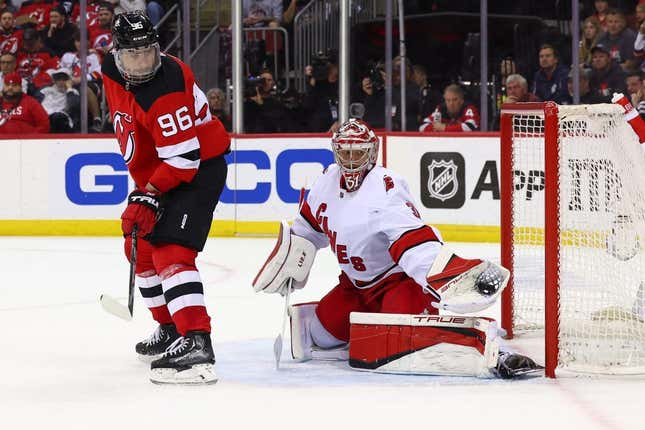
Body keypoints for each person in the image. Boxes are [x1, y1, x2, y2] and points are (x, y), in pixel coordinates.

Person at [253, 118, 542, 379]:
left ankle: (490, 347)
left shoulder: (385, 189)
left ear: (372, 153)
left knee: (402, 340)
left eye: (358, 152)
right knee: (319, 335)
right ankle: (371, 329)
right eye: (345, 152)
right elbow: (308, 230)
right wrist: (289, 261)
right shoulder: (325, 182)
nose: (351, 160)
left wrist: (450, 277)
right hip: (354, 287)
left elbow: (415, 245)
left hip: (396, 284)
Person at [101, 12, 230, 385]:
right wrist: (146, 191)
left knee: (172, 251)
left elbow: (184, 159)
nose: (142, 63)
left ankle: (197, 342)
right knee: (138, 248)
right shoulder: (111, 68)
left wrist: (148, 194)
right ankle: (171, 329)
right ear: (117, 52)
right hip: (166, 172)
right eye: (133, 55)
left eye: (148, 53)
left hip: (197, 169)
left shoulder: (165, 90)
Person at [37, 66, 80, 132]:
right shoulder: (45, 90)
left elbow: (74, 107)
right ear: (54, 80)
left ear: (69, 80)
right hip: (44, 119)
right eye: (58, 79)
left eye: (64, 79)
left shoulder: (73, 92)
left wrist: (69, 89)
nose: (61, 81)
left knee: (57, 117)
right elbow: (35, 105)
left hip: (62, 121)